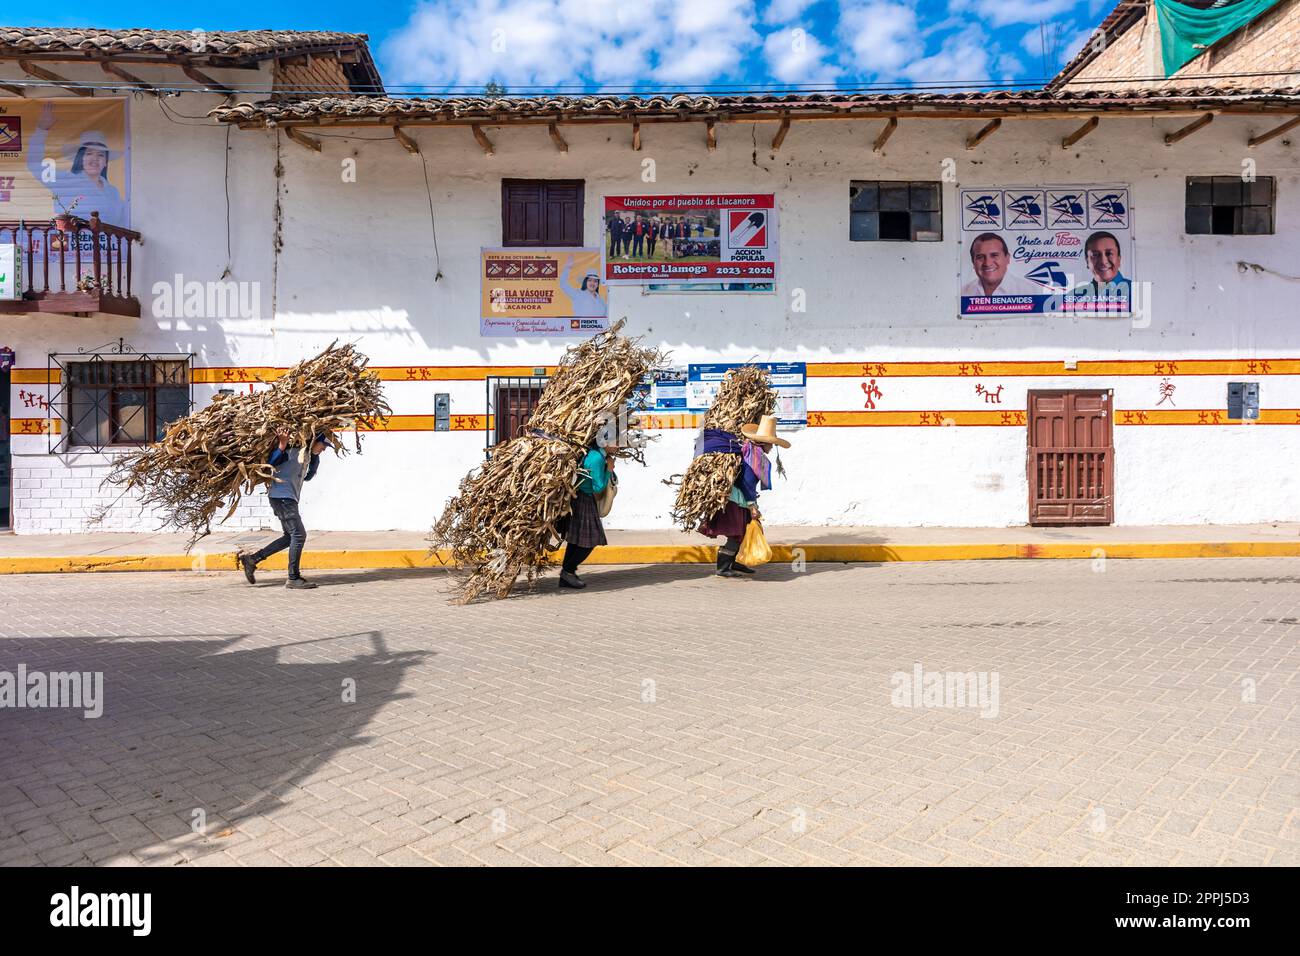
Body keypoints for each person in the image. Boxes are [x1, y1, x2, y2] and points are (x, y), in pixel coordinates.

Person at [697, 415, 790, 578]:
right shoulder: (753, 456)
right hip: (736, 501)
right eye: (771, 443)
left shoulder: (752, 452)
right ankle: (723, 567)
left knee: (742, 532)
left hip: (739, 499)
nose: (772, 446)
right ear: (763, 443)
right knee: (736, 533)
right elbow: (745, 483)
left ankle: (734, 562)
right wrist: (752, 506)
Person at [239, 429, 328, 589]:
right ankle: (293, 578)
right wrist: (282, 444)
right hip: (282, 498)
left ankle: (252, 560)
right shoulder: (294, 452)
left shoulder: (306, 454)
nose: (325, 448)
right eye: (324, 445)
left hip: (285, 499)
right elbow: (271, 464)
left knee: (289, 537)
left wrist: (315, 456)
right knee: (299, 535)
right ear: (315, 441)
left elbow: (309, 475)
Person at [25, 102, 128, 228]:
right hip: (71, 245)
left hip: (107, 246)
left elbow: (123, 222)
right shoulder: (65, 180)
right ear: (80, 158)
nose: (95, 159)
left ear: (106, 162)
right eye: (89, 153)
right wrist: (41, 130)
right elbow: (34, 165)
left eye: (100, 155)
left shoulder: (113, 192)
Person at [556, 438, 615, 589]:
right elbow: (598, 487)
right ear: (605, 443)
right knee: (591, 540)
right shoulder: (596, 459)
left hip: (580, 497)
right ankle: (568, 571)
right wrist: (608, 469)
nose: (619, 445)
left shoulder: (597, 454)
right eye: (616, 442)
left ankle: (568, 574)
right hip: (583, 499)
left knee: (575, 540)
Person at [961, 233, 1040, 296]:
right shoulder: (963, 293)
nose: (987, 263)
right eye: (980, 257)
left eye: (994, 255)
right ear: (973, 262)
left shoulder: (1030, 291)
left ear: (1007, 258)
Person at [1070, 231, 1131, 298]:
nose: (1103, 261)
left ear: (1119, 259)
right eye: (1095, 255)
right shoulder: (1073, 296)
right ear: (1087, 261)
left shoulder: (1136, 293)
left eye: (1109, 253)